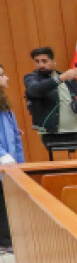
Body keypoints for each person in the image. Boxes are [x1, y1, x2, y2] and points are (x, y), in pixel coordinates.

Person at [24, 47, 77, 158]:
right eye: (37, 61)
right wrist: (61, 78)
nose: (41, 65)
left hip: (76, 130)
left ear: (53, 62)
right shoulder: (31, 78)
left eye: (44, 61)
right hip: (52, 133)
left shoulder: (69, 79)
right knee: (59, 166)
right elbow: (36, 89)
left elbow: (76, 100)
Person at [0, 62, 24, 252]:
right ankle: (5, 241)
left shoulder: (5, 105)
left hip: (11, 162)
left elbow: (15, 137)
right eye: (1, 75)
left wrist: (20, 164)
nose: (6, 78)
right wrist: (2, 155)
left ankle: (10, 238)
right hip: (3, 160)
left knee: (9, 201)